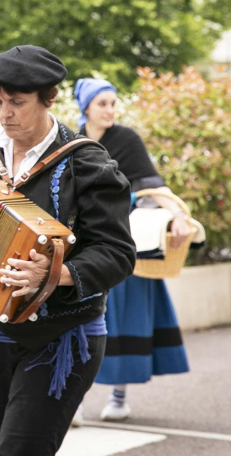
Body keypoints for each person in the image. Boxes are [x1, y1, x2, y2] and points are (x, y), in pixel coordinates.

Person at [0, 46, 136, 456]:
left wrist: (53, 273)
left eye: (17, 102)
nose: (4, 113)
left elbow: (118, 252)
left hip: (62, 336)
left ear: (48, 98)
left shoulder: (85, 162)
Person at [72, 78, 190, 423]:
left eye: (113, 103)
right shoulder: (72, 141)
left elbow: (153, 184)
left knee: (122, 321)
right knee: (75, 325)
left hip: (123, 243)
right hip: (80, 245)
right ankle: (72, 401)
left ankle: (119, 397)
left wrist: (179, 215)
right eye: (102, 103)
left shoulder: (126, 139)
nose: (109, 110)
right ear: (86, 108)